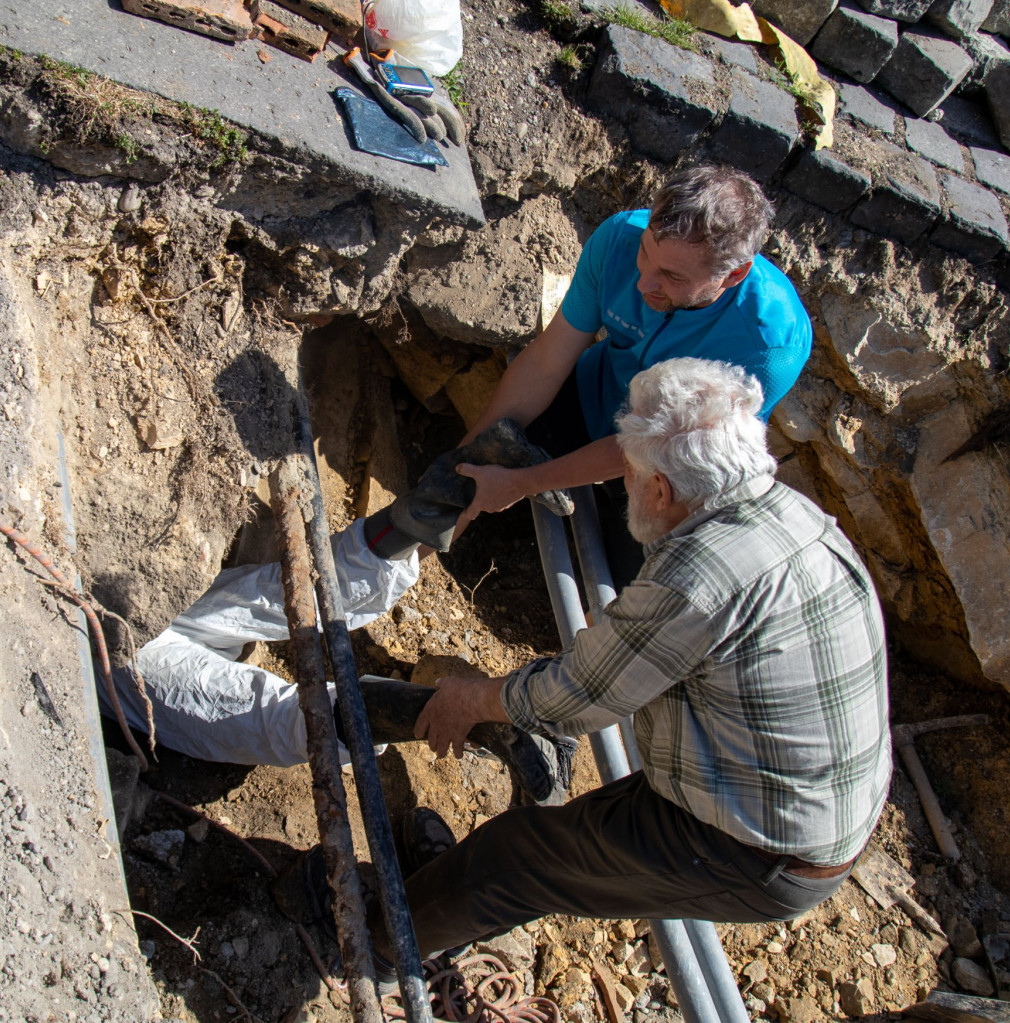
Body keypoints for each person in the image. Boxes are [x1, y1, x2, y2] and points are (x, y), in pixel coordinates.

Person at [371, 357, 891, 964]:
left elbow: (574, 699)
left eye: (630, 470)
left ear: (662, 489)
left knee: (513, 861)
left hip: (761, 848)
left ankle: (377, 951)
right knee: (564, 847)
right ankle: (439, 909)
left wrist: (469, 699)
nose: (625, 481)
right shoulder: (796, 515)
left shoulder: (700, 576)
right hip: (796, 801)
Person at [103, 419, 577, 804]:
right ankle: (462, 475)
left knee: (272, 707)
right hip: (133, 602)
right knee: (293, 598)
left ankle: (477, 721)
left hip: (109, 639)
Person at [444, 163, 813, 586]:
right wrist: (461, 465)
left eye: (672, 276)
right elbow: (548, 360)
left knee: (628, 581)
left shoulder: (768, 345)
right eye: (646, 253)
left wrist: (524, 482)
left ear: (732, 275)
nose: (644, 283)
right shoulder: (618, 238)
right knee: (495, 454)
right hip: (595, 395)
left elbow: (659, 446)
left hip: (667, 470)